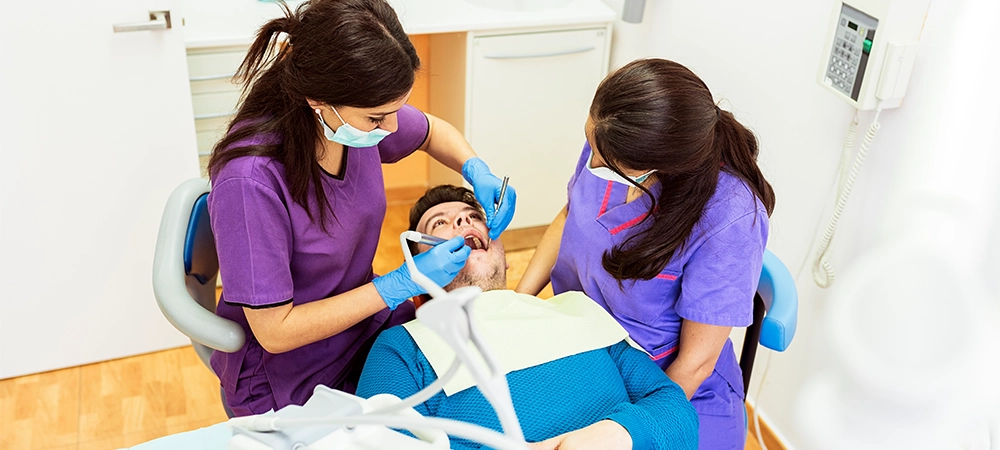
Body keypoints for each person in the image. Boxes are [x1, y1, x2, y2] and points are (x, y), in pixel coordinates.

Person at [206, 0, 516, 416]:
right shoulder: (250, 183)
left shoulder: (351, 122)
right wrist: (399, 284)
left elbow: (431, 131)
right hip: (289, 374)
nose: (392, 129)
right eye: (377, 118)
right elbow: (275, 333)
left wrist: (475, 169)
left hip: (366, 326)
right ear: (317, 99)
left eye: (394, 111)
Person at [515, 58, 775, 449]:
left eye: (608, 163)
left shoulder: (730, 216)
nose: (594, 163)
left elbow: (696, 363)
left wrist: (631, 428)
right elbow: (571, 212)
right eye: (593, 145)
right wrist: (514, 305)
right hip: (576, 348)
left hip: (669, 382)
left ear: (663, 165)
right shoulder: (611, 135)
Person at [356, 185, 699, 450]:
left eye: (473, 217)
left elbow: (675, 411)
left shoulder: (575, 310)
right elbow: (380, 442)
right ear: (419, 275)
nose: (463, 222)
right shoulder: (402, 348)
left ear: (505, 259)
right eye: (440, 224)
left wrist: (617, 433)